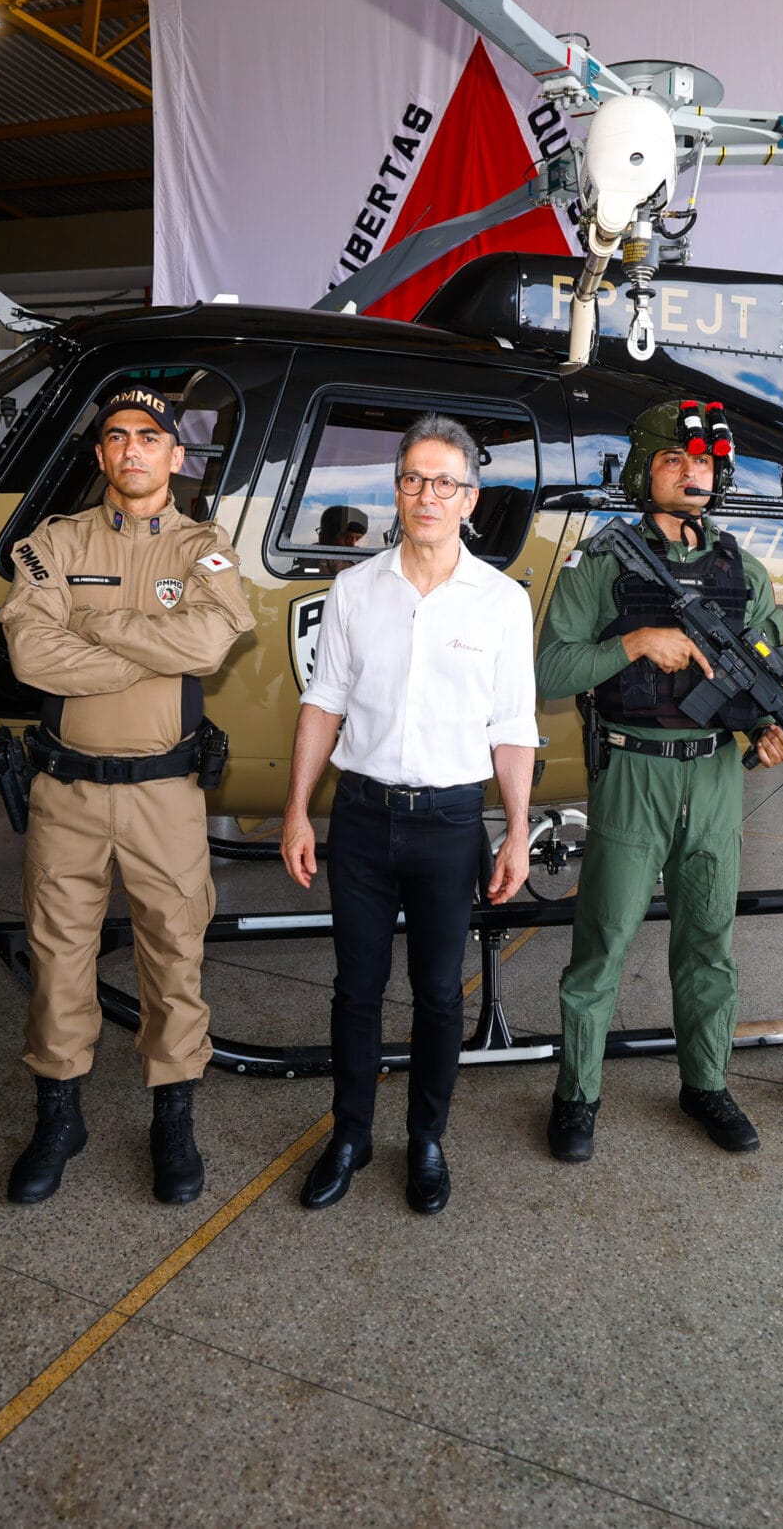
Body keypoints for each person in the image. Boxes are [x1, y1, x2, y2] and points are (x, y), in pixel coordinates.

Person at [0, 384, 248, 1208]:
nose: (132, 449)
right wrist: (152, 650)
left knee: (175, 954)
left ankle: (171, 1120)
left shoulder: (203, 547)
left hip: (164, 794)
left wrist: (97, 627)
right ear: (99, 455)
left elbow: (211, 641)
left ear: (176, 455)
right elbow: (34, 657)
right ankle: (59, 1115)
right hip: (65, 791)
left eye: (150, 436)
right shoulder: (51, 543)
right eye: (116, 436)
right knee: (56, 958)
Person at [281, 415, 538, 1215]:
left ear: (472, 499)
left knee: (437, 991)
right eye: (415, 479)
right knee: (355, 988)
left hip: (451, 825)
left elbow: (514, 727)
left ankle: (426, 1138)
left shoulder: (500, 601)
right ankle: (349, 1134)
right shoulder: (355, 589)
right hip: (359, 819)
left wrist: (518, 832)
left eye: (447, 482)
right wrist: (296, 810)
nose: (429, 495)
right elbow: (322, 702)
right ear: (397, 489)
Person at [536, 399, 783, 1162]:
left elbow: (759, 674)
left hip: (715, 776)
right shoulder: (606, 563)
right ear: (644, 469)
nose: (693, 475)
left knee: (709, 943)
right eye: (675, 460)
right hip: (633, 769)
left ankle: (706, 1082)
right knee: (604, 943)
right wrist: (637, 642)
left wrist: (768, 726)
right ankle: (577, 1092)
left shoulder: (742, 571)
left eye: (705, 463)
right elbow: (551, 668)